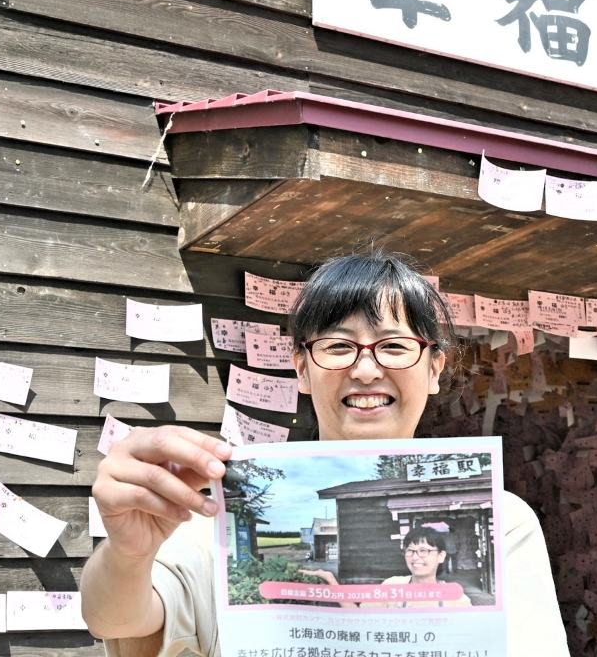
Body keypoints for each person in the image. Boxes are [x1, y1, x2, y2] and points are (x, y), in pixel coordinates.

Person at [81, 250, 566, 656]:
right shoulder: (214, 515)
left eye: (394, 346)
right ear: (302, 368)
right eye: (338, 347)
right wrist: (128, 552)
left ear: (435, 368)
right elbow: (116, 619)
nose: (366, 370)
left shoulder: (507, 521)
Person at [377, 526, 473, 608]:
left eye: (423, 551)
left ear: (441, 556)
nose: (415, 557)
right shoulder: (391, 586)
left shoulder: (457, 599)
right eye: (410, 550)